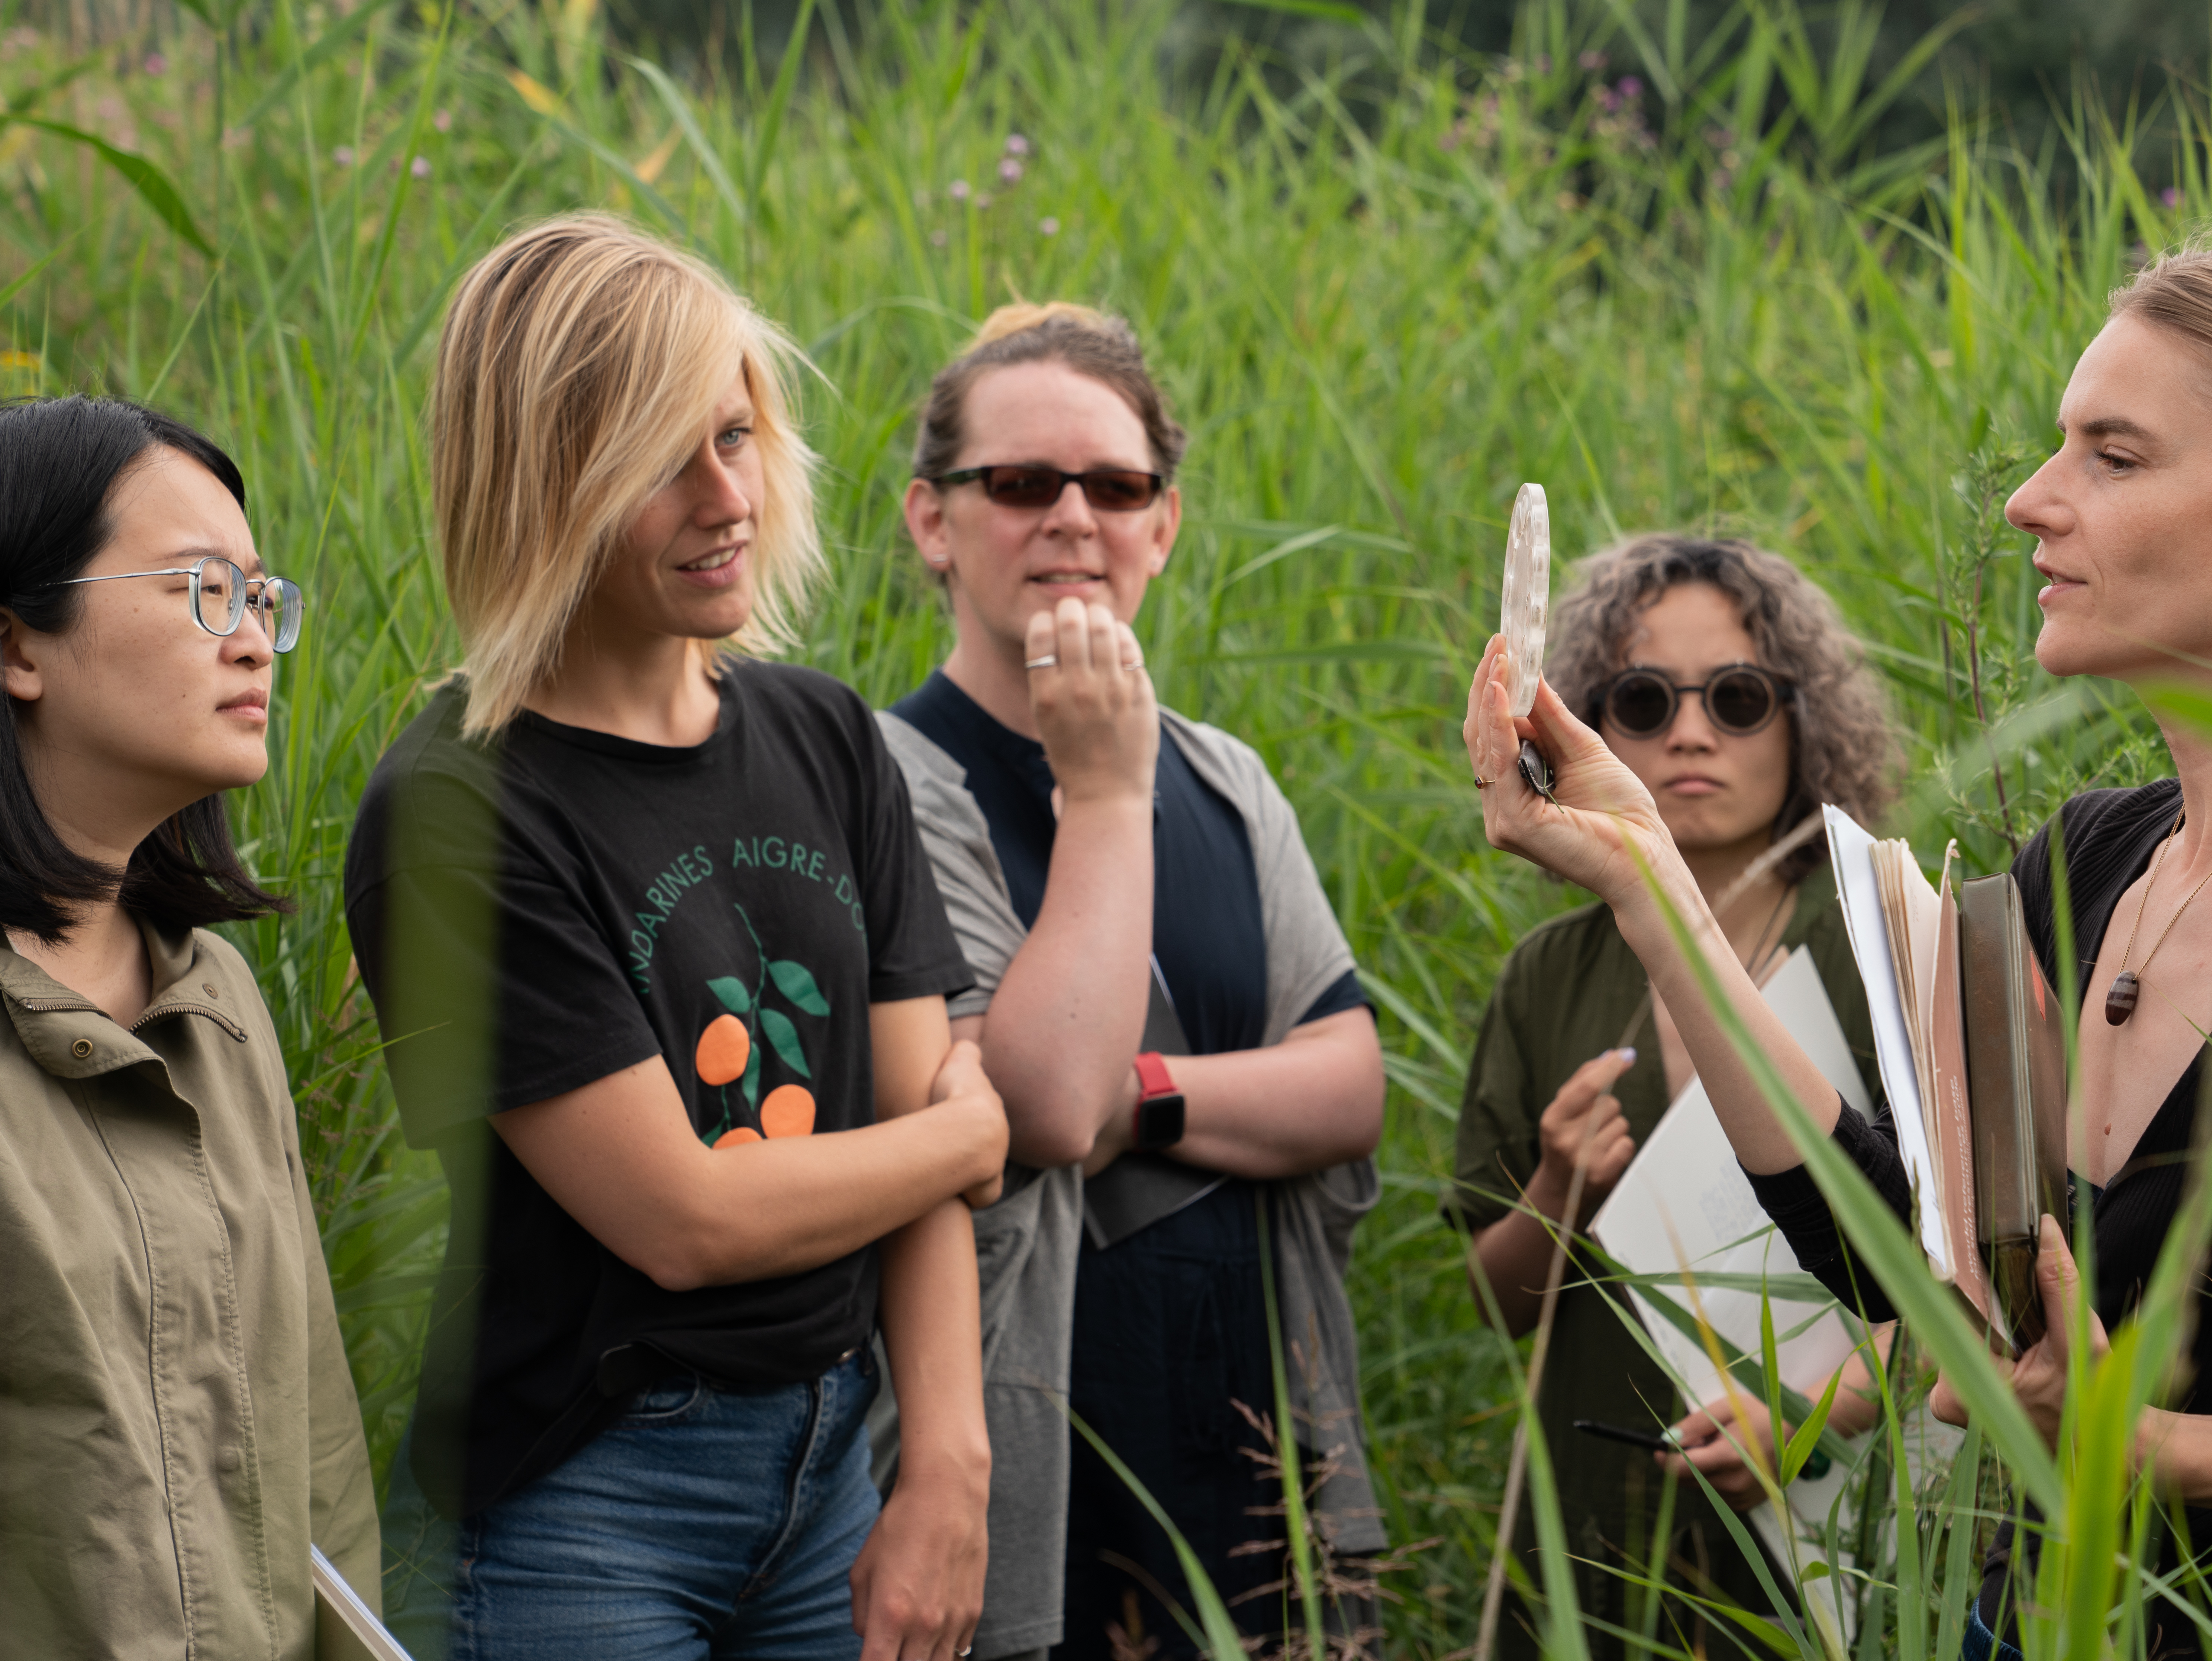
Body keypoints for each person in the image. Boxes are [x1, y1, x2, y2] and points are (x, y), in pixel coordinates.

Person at [1462, 247, 2212, 1660]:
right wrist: (1645, 876)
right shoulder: (2088, 862)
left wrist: (2149, 1445)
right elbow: (1898, 1254)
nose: (2029, 500)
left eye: (2112, 456)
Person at [348, 215, 1007, 1661]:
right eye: (663, 459)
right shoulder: (458, 807)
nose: (730, 496)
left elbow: (904, 1112)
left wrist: (947, 1465)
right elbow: (687, 1222)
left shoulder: (826, 734)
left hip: (834, 1464)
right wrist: (966, 1138)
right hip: (580, 1507)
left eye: (737, 434)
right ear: (543, 484)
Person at [881, 302, 1389, 1660]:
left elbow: (1349, 1082)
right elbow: (1043, 1103)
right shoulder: (880, 785)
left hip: (1261, 1477)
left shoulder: (1226, 779)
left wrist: (1148, 1094)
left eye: (1114, 486)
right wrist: (1101, 791)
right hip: (1035, 1495)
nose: (1071, 517)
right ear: (934, 520)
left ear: (1162, 526)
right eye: (1020, 483)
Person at [1450, 536, 1899, 1657]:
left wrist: (1813, 1413)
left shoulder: (1881, 946)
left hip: (1838, 1540)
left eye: (1738, 697)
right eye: (1644, 701)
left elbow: (1976, 1285)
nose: (1691, 732)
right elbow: (1499, 1300)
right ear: (1588, 726)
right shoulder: (1550, 975)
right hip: (1595, 1534)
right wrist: (1557, 1185)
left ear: (1804, 722)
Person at [0, 396, 380, 1650]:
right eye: (206, 589)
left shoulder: (215, 998)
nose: (255, 641)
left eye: (264, 601)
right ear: (18, 642)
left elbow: (312, 1437)